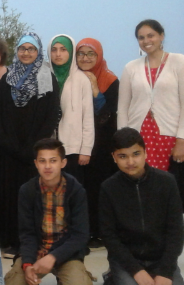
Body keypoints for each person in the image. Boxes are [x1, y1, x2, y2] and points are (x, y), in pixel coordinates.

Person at [0, 32, 60, 256]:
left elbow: (51, 115)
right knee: (9, 196)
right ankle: (10, 240)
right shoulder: (7, 78)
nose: (26, 53)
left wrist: (34, 146)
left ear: (38, 52)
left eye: (31, 49)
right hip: (8, 152)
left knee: (33, 198)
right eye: (22, 48)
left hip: (35, 153)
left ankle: (31, 242)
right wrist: (8, 143)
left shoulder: (48, 78)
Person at [3, 138, 95, 285]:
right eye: (42, 161)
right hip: (37, 253)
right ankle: (33, 279)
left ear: (63, 163)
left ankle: (72, 277)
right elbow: (27, 234)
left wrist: (53, 257)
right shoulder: (27, 191)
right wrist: (27, 264)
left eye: (53, 161)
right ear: (36, 163)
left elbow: (80, 235)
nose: (47, 166)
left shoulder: (76, 190)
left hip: (67, 255)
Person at [100, 128, 184, 285]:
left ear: (145, 153)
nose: (130, 161)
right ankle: (113, 280)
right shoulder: (108, 188)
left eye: (136, 154)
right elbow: (109, 236)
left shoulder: (167, 182)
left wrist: (166, 272)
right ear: (114, 157)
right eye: (123, 156)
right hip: (127, 261)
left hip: (161, 259)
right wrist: (136, 271)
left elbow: (176, 231)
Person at [118, 19, 184, 204]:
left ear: (161, 36)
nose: (146, 40)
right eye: (141, 37)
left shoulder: (179, 62)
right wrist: (122, 139)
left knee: (167, 187)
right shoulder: (131, 67)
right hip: (139, 137)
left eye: (150, 35)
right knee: (140, 186)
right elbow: (123, 107)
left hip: (169, 136)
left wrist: (182, 139)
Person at [75, 37, 119, 247]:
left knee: (99, 188)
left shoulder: (110, 80)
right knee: (80, 187)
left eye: (90, 54)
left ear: (99, 56)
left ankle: (100, 232)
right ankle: (82, 231)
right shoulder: (71, 78)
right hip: (77, 141)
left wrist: (94, 87)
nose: (85, 58)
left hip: (101, 144)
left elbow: (107, 116)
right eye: (81, 54)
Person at [48, 34, 94, 185]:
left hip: (73, 147)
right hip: (48, 146)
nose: (58, 54)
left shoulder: (81, 79)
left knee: (71, 189)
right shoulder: (45, 76)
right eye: (54, 50)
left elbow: (87, 116)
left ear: (71, 52)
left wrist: (85, 149)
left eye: (63, 49)